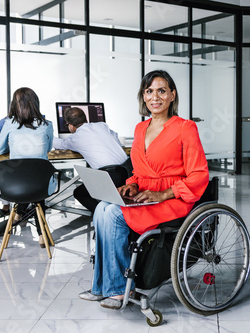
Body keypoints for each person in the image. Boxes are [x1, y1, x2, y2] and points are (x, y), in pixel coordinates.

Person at [78, 70, 209, 309]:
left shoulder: (185, 128)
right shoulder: (140, 129)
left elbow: (199, 174)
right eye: (149, 91)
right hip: (144, 195)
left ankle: (117, 289)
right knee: (101, 210)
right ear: (143, 96)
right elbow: (139, 171)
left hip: (172, 198)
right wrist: (132, 184)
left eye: (161, 90)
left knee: (113, 215)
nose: (154, 97)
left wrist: (163, 194)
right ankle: (103, 286)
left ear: (172, 95)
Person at [0, 87, 55, 248]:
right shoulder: (48, 125)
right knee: (37, 178)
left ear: (14, 105)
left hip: (14, 185)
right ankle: (42, 235)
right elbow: (47, 149)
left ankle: (19, 213)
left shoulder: (9, 124)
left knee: (26, 176)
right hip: (42, 185)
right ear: (36, 104)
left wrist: (14, 147)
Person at [53, 107, 129, 213]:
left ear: (70, 125)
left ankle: (105, 216)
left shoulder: (76, 138)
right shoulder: (102, 125)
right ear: (85, 119)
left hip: (109, 177)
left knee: (79, 193)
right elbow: (115, 137)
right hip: (128, 172)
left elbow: (60, 144)